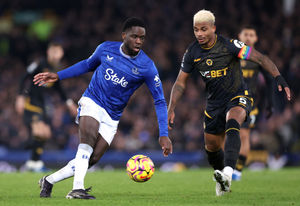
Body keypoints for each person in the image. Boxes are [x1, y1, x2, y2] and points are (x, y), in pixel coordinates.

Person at [34, 17, 173, 200]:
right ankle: (77, 189)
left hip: (113, 115)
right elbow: (87, 65)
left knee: (92, 159)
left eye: (142, 37)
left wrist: (163, 133)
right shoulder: (106, 48)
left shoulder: (146, 66)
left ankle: (49, 181)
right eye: (134, 36)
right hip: (92, 101)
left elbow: (160, 100)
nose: (139, 41)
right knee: (88, 140)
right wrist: (58, 75)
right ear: (124, 35)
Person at [167, 9, 290, 196]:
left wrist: (279, 78)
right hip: (213, 104)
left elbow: (260, 58)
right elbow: (179, 83)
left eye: (203, 29)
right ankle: (223, 181)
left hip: (238, 95)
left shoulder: (230, 45)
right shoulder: (192, 52)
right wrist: (171, 107)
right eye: (196, 30)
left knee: (233, 122)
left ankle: (228, 173)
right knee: (212, 147)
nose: (199, 33)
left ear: (213, 28)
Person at [15, 42, 77, 172]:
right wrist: (20, 96)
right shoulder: (40, 64)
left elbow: (59, 89)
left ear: (61, 54)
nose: (56, 55)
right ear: (49, 52)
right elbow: (23, 77)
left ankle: (33, 162)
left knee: (46, 134)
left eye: (58, 52)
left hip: (42, 105)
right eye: (53, 52)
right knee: (39, 132)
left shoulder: (56, 70)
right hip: (31, 102)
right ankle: (25, 148)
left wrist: (69, 103)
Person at [232, 26, 274, 181]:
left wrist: (270, 103)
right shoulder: (232, 56)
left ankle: (238, 170)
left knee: (244, 136)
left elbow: (270, 81)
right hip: (230, 103)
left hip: (250, 105)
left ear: (256, 39)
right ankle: (227, 166)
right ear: (239, 36)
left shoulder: (258, 58)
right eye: (246, 34)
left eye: (252, 35)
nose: (248, 37)